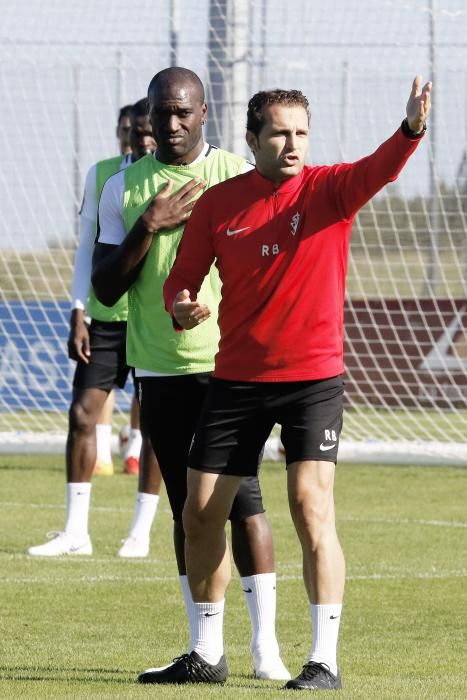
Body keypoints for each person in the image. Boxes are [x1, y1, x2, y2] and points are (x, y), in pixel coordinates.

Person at [159, 76, 432, 688]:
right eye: (280, 132)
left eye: (301, 133)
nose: (293, 144)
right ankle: (206, 652)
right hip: (236, 379)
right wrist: (181, 305)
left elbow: (382, 167)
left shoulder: (332, 189)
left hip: (313, 381)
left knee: (310, 507)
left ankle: (323, 661)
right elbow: (180, 282)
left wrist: (411, 128)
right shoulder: (218, 204)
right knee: (199, 516)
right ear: (252, 137)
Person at [92, 66, 290, 681]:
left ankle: (267, 650)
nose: (172, 125)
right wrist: (147, 227)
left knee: (245, 502)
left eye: (184, 112)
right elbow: (104, 287)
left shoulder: (237, 173)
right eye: (161, 113)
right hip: (158, 367)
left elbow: (274, 257)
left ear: (205, 113)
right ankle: (204, 649)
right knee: (186, 511)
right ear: (148, 116)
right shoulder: (124, 188)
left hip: (231, 368)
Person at [27, 98, 162, 558]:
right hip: (105, 319)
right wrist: (78, 310)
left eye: (147, 128)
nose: (141, 136)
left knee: (158, 427)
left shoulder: (174, 174)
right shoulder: (103, 174)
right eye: (132, 128)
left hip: (154, 319)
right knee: (83, 415)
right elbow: (86, 248)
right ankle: (75, 532)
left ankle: (140, 532)